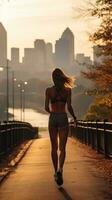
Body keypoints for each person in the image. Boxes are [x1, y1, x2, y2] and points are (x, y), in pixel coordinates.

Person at [45, 68, 77, 186]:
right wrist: (74, 117)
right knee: (62, 148)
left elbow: (46, 107)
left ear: (53, 78)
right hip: (63, 117)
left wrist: (52, 113)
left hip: (53, 117)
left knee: (54, 147)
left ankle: (55, 172)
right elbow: (69, 107)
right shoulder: (67, 90)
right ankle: (60, 170)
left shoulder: (49, 90)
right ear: (62, 77)